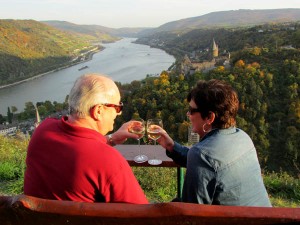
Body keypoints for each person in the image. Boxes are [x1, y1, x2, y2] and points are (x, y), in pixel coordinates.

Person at [24, 73, 148, 204]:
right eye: (117, 107)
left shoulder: (42, 131)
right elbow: (142, 215)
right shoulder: (109, 161)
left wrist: (111, 138)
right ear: (98, 111)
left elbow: (77, 144)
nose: (119, 112)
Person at [157, 79, 271, 206]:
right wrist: (171, 146)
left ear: (210, 117)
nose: (188, 114)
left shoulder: (201, 154)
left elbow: (192, 212)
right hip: (263, 216)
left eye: (192, 110)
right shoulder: (243, 137)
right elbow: (208, 165)